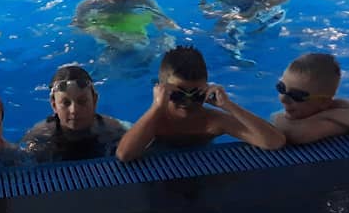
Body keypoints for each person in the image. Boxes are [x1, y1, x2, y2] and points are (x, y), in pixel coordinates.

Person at [117, 46, 286, 160]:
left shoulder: (214, 121)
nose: (187, 102)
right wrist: (156, 107)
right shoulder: (155, 120)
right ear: (162, 90)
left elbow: (274, 142)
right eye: (178, 95)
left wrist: (229, 106)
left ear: (206, 89)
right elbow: (124, 155)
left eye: (196, 95)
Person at [22, 66, 129, 162]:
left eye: (82, 101)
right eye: (66, 103)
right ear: (54, 105)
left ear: (95, 100)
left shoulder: (114, 129)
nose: (74, 110)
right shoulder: (40, 136)